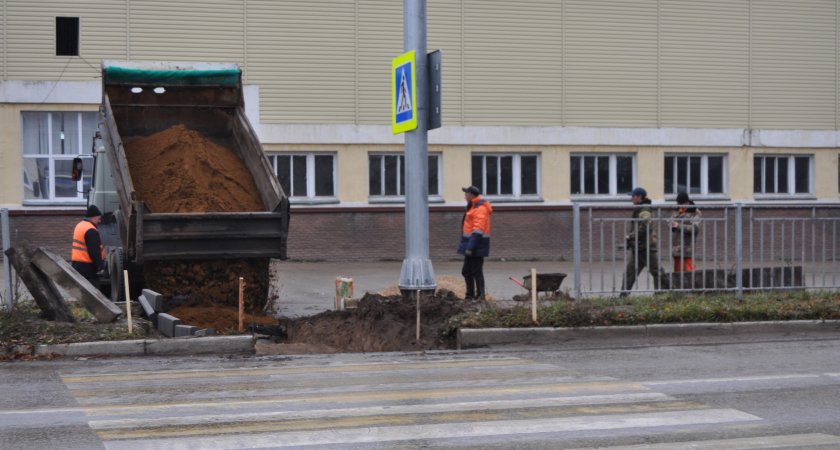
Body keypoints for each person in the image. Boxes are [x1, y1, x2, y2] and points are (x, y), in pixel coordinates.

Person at [620, 187, 665, 296]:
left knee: (657, 272)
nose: (631, 199)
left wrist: (633, 236)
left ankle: (662, 294)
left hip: (646, 248)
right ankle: (623, 296)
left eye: (633, 196)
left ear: (639, 197)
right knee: (630, 272)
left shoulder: (644, 209)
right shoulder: (639, 208)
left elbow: (646, 225)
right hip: (639, 247)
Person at [457, 185, 492, 300]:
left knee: (476, 272)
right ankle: (470, 295)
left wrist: (470, 248)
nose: (464, 196)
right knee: (467, 271)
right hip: (472, 245)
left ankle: (479, 296)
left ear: (471, 195)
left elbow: (478, 230)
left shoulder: (479, 208)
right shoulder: (473, 206)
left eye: (466, 193)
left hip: (476, 246)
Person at [71, 205, 106, 285]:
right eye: (98, 218)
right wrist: (100, 266)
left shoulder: (80, 225)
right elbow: (94, 251)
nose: (99, 221)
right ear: (93, 218)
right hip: (88, 268)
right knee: (93, 293)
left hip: (77, 264)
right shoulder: (91, 230)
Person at [670, 191, 701, 274]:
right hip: (677, 245)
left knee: (689, 271)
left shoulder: (695, 212)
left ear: (687, 202)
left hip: (687, 246)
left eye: (682, 203)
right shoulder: (677, 210)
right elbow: (672, 222)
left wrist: (678, 225)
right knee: (677, 271)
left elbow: (695, 229)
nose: (680, 206)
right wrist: (671, 224)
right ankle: (678, 286)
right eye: (678, 203)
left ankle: (693, 286)